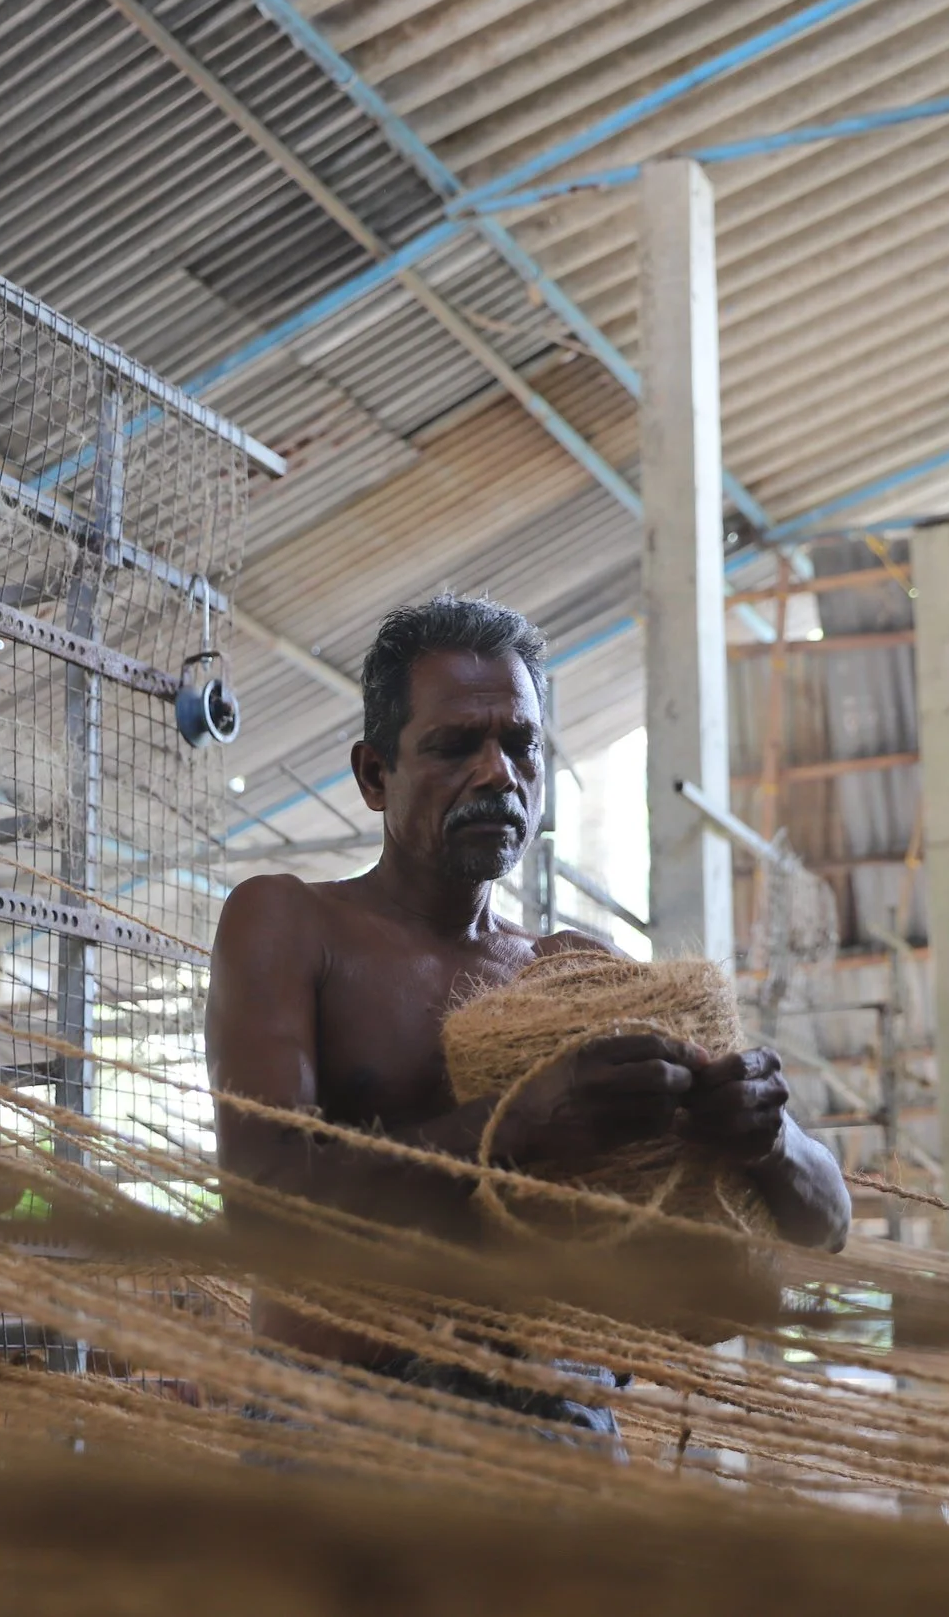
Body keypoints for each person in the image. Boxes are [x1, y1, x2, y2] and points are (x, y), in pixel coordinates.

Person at [206, 594, 849, 1437]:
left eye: (520, 744)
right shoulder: (291, 925)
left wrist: (765, 1137)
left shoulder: (572, 975)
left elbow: (824, 1223)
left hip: (558, 1428)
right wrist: (519, 1126)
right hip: (341, 1429)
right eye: (454, 745)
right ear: (373, 775)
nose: (498, 772)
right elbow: (263, 1207)